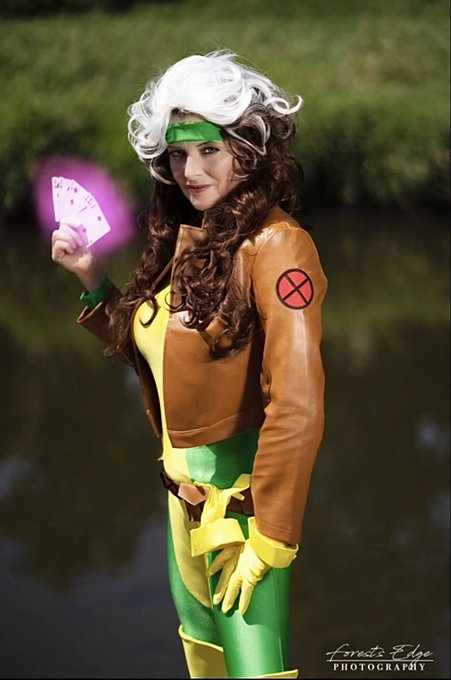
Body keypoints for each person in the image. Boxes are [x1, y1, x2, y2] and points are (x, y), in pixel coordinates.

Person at [51, 50, 327, 679]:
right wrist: (93, 282)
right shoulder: (192, 235)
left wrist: (273, 537)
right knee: (203, 667)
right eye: (177, 154)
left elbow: (298, 403)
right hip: (182, 514)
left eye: (208, 150)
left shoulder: (279, 247)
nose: (189, 171)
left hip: (242, 521)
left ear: (246, 149)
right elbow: (172, 367)